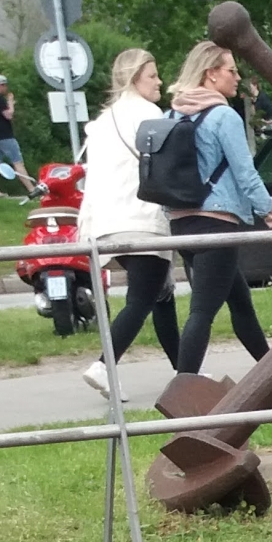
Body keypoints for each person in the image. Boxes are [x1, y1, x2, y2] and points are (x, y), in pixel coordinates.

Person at [162, 42, 272, 377]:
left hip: (182, 225)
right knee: (202, 310)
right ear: (211, 74)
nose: (237, 77)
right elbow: (246, 173)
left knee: (239, 301)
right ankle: (183, 387)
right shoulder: (223, 116)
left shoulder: (171, 115)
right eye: (231, 70)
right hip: (217, 224)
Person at [78, 47, 180, 397]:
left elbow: (91, 181)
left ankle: (185, 371)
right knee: (142, 297)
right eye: (153, 75)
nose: (159, 82)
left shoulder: (102, 122)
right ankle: (103, 365)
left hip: (108, 222)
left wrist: (87, 226)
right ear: (136, 78)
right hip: (141, 218)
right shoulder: (149, 114)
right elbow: (164, 169)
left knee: (162, 294)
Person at [0, 74, 33, 193]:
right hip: (5, 134)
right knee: (17, 161)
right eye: (5, 86)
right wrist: (10, 103)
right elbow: (8, 115)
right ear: (1, 85)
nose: (6, 88)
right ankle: (31, 188)